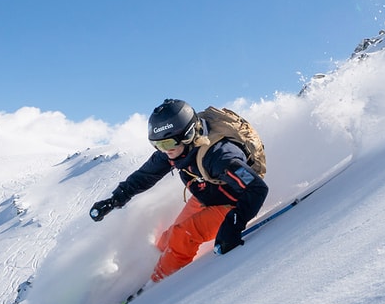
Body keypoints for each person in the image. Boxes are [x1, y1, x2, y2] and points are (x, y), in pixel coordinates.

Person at [89, 99, 268, 284]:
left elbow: (256, 189)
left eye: (166, 145)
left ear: (188, 135)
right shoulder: (174, 148)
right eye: (157, 145)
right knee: (167, 237)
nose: (163, 151)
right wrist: (115, 199)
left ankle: (156, 287)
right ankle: (147, 270)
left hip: (237, 201)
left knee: (183, 236)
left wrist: (233, 225)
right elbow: (145, 175)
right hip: (209, 191)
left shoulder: (220, 156)